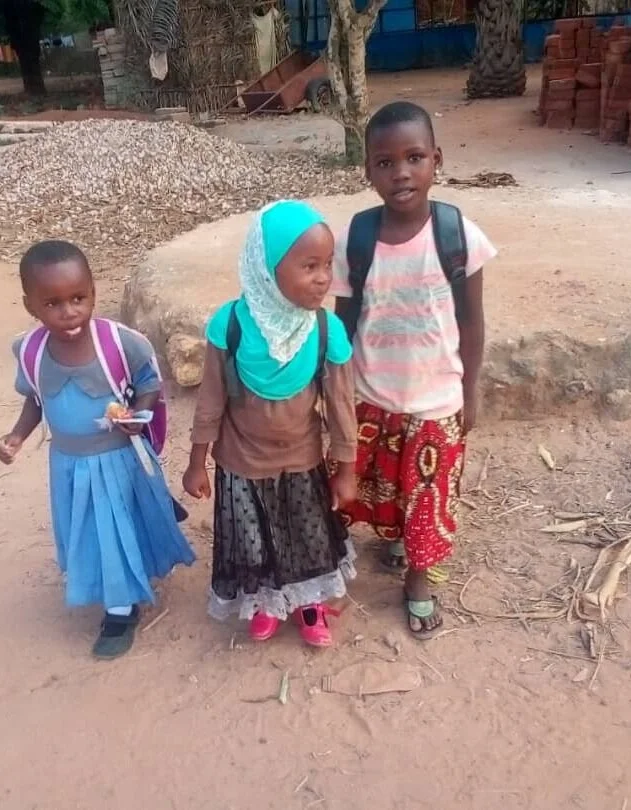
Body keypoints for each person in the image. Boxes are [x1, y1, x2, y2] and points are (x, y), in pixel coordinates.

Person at [331, 102, 497, 639]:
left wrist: (470, 391)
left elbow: (471, 322)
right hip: (371, 394)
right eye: (385, 162)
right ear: (368, 171)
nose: (400, 172)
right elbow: (343, 325)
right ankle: (382, 543)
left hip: (436, 398)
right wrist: (334, 393)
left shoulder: (458, 235)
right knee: (372, 482)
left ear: (436, 161)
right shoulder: (357, 239)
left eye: (414, 157)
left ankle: (418, 581)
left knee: (427, 494)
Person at [0, 240, 195, 660]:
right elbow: (35, 400)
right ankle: (120, 580)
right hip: (68, 465)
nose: (69, 312)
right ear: (30, 305)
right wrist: (16, 437)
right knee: (92, 528)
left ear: (92, 292)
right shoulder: (31, 352)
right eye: (52, 303)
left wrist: (136, 414)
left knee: (114, 525)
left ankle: (120, 612)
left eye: (78, 298)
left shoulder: (119, 343)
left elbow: (149, 384)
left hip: (118, 460)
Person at [182, 200, 358, 648]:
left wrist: (346, 468)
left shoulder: (325, 330)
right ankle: (264, 603)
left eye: (327, 264)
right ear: (266, 268)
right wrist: (197, 463)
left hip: (302, 460)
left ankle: (309, 604)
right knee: (252, 540)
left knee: (307, 536)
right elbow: (210, 399)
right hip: (241, 462)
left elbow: (341, 405)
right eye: (309, 266)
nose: (323, 277)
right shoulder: (231, 325)